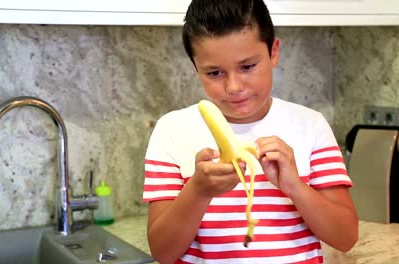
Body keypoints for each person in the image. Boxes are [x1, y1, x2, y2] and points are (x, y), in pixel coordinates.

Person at [142, 0, 358, 263]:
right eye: (214, 72)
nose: (233, 86)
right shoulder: (172, 130)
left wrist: (296, 188)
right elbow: (163, 253)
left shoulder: (310, 125)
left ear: (273, 51)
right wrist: (198, 191)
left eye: (247, 67)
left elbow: (346, 237)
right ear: (195, 68)